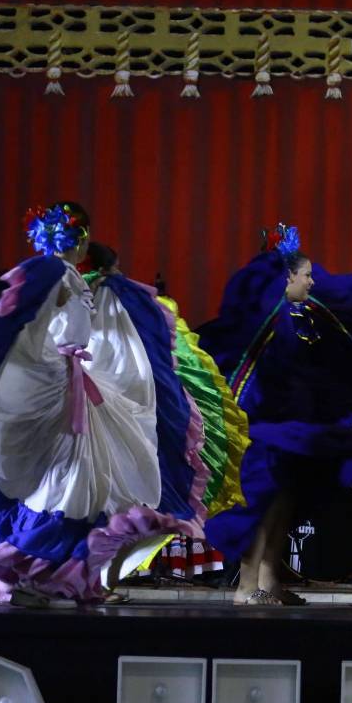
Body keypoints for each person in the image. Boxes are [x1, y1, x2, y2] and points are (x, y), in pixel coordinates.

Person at [0, 202, 211, 605]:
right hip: (57, 395)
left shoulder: (53, 274)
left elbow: (42, 329)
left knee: (67, 489)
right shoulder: (58, 275)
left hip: (63, 390)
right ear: (79, 239)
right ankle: (28, 577)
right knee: (61, 489)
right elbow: (57, 336)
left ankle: (56, 578)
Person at [198, 224, 352, 605]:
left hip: (290, 431)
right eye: (306, 275)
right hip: (263, 431)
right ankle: (246, 586)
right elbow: (256, 375)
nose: (312, 282)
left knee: (285, 500)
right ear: (287, 277)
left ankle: (269, 580)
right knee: (260, 504)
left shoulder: (303, 316)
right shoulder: (267, 321)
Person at [84, 242, 249, 583]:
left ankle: (89, 575)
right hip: (120, 407)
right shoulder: (121, 297)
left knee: (100, 495)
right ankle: (100, 576)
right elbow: (154, 357)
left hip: (97, 406)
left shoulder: (78, 294)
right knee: (128, 494)